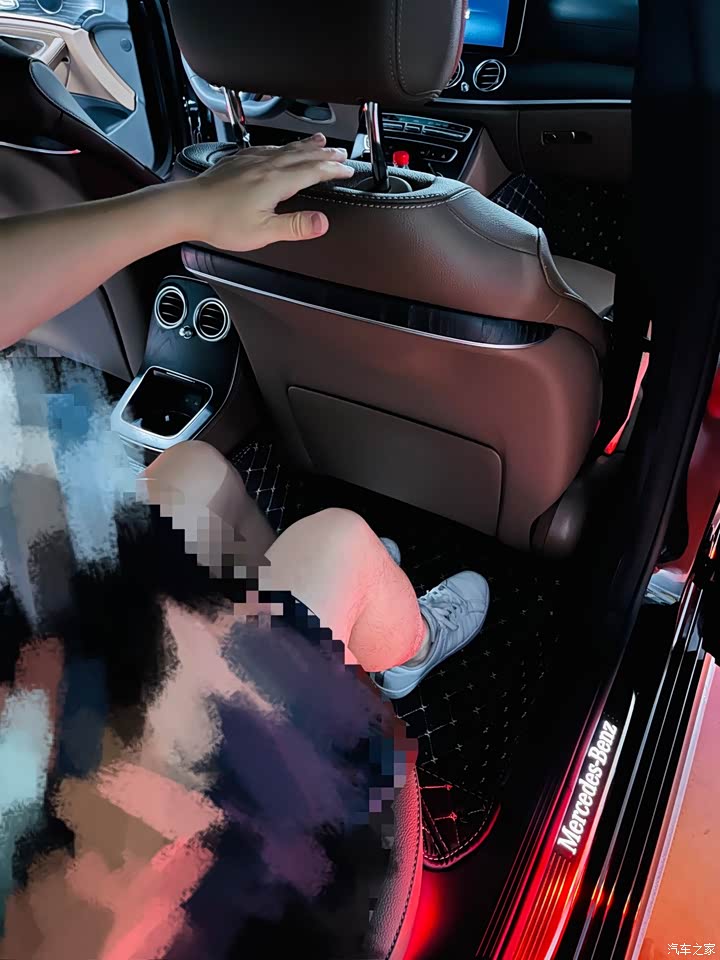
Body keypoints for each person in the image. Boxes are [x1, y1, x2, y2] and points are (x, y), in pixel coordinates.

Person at [0, 135, 489, 958]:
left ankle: (323, 636)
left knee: (190, 477)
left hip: (53, 688)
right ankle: (398, 653)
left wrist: (182, 207)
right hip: (104, 872)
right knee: (338, 544)